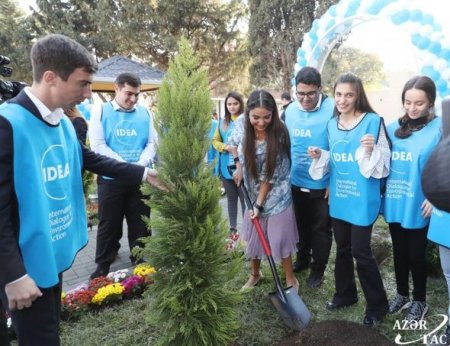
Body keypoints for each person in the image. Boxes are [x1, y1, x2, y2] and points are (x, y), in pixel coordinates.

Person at [0, 34, 159, 346]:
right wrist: (13, 275)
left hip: (48, 253)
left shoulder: (60, 120)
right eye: (83, 83)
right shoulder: (8, 124)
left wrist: (143, 173)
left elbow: (87, 158)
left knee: (48, 330)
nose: (88, 94)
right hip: (23, 266)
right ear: (50, 78)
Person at [308, 72, 390, 326]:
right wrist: (320, 155)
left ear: (358, 96)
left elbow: (385, 164)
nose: (343, 100)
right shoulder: (332, 124)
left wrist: (371, 150)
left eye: (349, 95)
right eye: (339, 94)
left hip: (362, 199)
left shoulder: (373, 122)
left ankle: (378, 306)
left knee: (361, 251)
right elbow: (335, 156)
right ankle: (345, 295)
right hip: (340, 195)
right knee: (342, 249)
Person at [383, 76, 441, 322]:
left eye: (419, 103)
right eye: (408, 102)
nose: (412, 108)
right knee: (399, 252)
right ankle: (402, 295)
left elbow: (445, 167)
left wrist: (436, 198)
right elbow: (380, 162)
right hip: (395, 199)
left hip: (420, 203)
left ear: (430, 103)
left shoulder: (439, 129)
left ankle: (419, 301)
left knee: (416, 255)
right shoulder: (391, 128)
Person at [88, 72, 157, 279]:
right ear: (116, 88)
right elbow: (99, 145)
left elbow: (152, 143)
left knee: (141, 222)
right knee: (109, 224)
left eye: (136, 94)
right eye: (128, 93)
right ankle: (103, 265)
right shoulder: (100, 110)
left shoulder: (146, 113)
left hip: (139, 178)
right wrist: (126, 167)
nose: (133, 99)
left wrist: (139, 165)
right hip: (111, 180)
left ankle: (141, 259)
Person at [230, 89, 299, 291]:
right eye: (256, 117)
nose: (261, 122)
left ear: (273, 114)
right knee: (254, 234)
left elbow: (269, 177)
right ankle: (255, 274)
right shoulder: (242, 124)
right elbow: (233, 144)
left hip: (277, 191)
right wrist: (239, 166)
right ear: (248, 113)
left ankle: (290, 280)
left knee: (279, 237)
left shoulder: (279, 133)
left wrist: (258, 205)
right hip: (252, 188)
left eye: (266, 117)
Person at [284, 66, 333, 288]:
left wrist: (333, 182)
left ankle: (317, 270)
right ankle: (302, 260)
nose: (305, 99)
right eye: (300, 93)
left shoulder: (333, 109)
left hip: (322, 184)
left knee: (320, 229)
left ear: (320, 90)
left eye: (311, 94)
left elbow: (342, 146)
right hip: (296, 181)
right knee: (300, 225)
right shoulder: (289, 111)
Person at [212, 91, 245, 235]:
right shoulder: (222, 123)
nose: (232, 107)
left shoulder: (246, 121)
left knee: (245, 201)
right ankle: (233, 231)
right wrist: (225, 147)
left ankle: (247, 231)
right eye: (229, 104)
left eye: (235, 104)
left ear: (241, 104)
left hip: (243, 168)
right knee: (231, 200)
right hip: (226, 169)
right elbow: (214, 141)